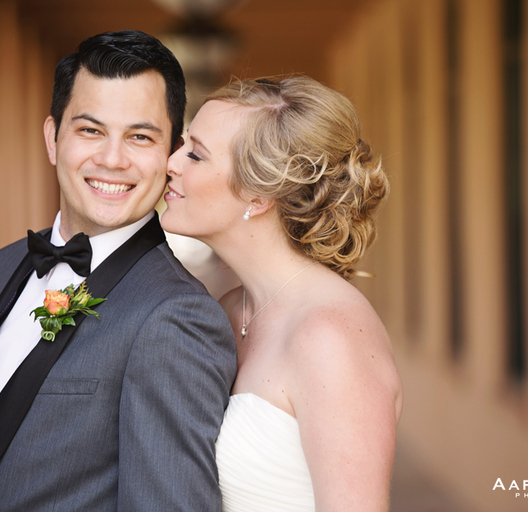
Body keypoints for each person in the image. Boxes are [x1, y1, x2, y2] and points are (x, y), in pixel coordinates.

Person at [0, 31, 237, 512]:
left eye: (140, 137)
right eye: (91, 131)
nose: (112, 160)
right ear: (53, 139)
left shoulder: (179, 316)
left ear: (171, 154)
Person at [161, 76, 404, 511]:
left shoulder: (329, 336)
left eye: (195, 154)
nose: (170, 163)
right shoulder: (232, 309)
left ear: (258, 194)